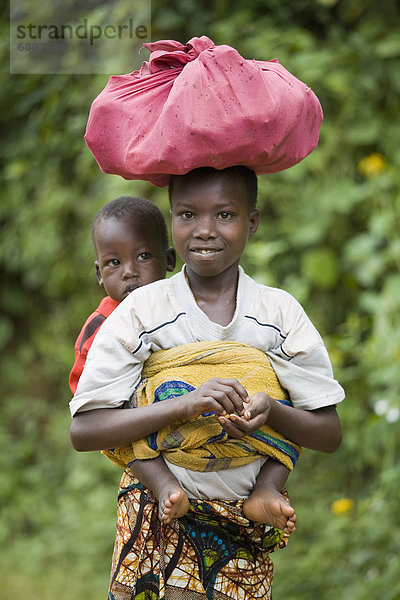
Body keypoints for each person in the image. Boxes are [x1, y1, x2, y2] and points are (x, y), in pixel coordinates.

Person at [69, 166, 344, 600]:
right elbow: (85, 430)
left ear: (252, 221)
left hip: (241, 524)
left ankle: (266, 489)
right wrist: (186, 404)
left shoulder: (280, 315)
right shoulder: (140, 311)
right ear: (172, 219)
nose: (204, 231)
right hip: (154, 516)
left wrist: (271, 411)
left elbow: (328, 433)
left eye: (225, 215)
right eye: (187, 215)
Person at [69, 195, 176, 394]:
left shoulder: (182, 308)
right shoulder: (100, 327)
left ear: (169, 259)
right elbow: (85, 394)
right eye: (114, 263)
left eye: (143, 256)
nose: (129, 272)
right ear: (100, 274)